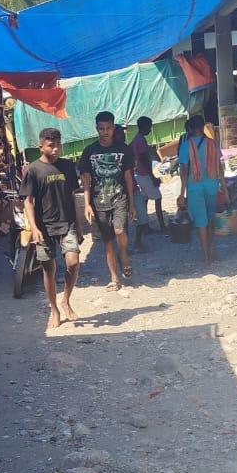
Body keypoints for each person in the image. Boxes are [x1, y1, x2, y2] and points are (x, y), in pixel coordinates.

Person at [20, 128, 81, 331]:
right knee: (49, 268)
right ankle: (54, 308)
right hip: (44, 227)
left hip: (67, 223)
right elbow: (28, 202)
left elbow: (73, 196)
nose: (55, 149)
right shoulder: (34, 170)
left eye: (58, 144)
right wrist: (34, 228)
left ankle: (66, 300)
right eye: (50, 145)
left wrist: (79, 225)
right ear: (41, 146)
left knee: (72, 262)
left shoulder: (67, 166)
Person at [79, 112, 136, 291]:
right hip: (99, 202)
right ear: (97, 129)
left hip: (120, 198)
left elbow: (128, 177)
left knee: (119, 230)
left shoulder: (124, 149)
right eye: (101, 128)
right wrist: (87, 204)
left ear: (113, 128)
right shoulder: (89, 151)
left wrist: (132, 203)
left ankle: (124, 255)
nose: (105, 132)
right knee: (108, 241)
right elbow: (86, 180)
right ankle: (114, 278)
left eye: (108, 128)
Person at [178, 113, 227, 264]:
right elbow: (220, 167)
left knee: (201, 221)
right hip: (212, 184)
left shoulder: (186, 145)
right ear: (203, 126)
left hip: (195, 186)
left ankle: (206, 256)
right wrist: (224, 187)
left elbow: (184, 171)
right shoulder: (212, 143)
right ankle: (213, 250)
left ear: (191, 128)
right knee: (210, 217)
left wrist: (181, 193)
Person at [130, 117, 165, 248]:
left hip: (139, 174)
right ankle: (162, 226)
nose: (150, 129)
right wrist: (153, 177)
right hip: (144, 174)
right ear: (144, 126)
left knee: (145, 199)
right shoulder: (141, 140)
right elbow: (145, 159)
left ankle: (146, 226)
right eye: (149, 127)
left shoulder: (136, 139)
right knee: (158, 197)